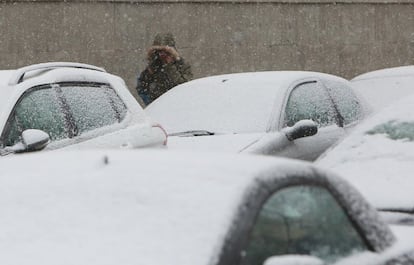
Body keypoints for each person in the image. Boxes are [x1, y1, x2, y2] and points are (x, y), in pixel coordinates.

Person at [136, 33, 193, 105]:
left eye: (166, 52)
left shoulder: (181, 65)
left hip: (179, 105)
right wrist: (151, 103)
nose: (162, 54)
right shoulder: (153, 66)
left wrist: (170, 66)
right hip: (159, 107)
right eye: (159, 51)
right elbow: (141, 88)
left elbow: (185, 86)